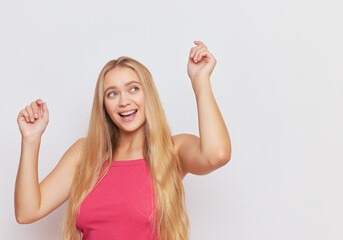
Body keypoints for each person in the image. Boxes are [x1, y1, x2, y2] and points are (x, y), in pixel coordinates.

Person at [14, 40, 231, 240]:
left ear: (148, 95)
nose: (124, 101)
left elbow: (217, 155)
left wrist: (200, 81)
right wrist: (31, 140)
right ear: (105, 106)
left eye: (133, 89)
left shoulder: (173, 150)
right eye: (112, 94)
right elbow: (27, 211)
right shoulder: (85, 153)